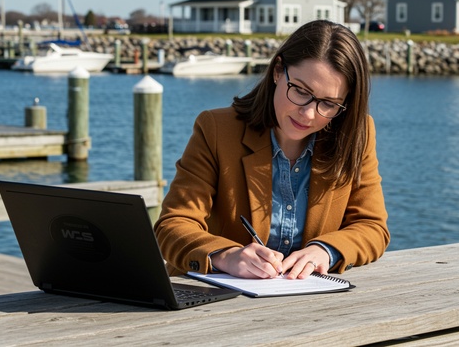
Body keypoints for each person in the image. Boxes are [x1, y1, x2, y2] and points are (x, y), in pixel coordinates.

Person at [154, 20, 389, 280]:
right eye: (300, 91)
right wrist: (225, 256)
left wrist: (325, 251)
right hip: (211, 301)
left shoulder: (357, 133)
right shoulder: (216, 129)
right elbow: (172, 225)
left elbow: (372, 227)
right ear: (278, 71)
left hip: (307, 304)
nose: (309, 113)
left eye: (329, 104)